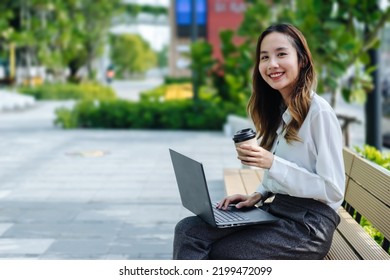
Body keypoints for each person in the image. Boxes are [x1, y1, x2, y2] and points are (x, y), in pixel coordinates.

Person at [173, 23, 345, 260]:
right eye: (264, 57)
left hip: (307, 227)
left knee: (217, 253)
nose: (271, 64)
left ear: (302, 60)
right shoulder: (283, 110)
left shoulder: (319, 114)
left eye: (281, 54)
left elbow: (333, 190)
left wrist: (272, 163)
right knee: (188, 230)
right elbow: (293, 169)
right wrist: (259, 194)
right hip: (279, 209)